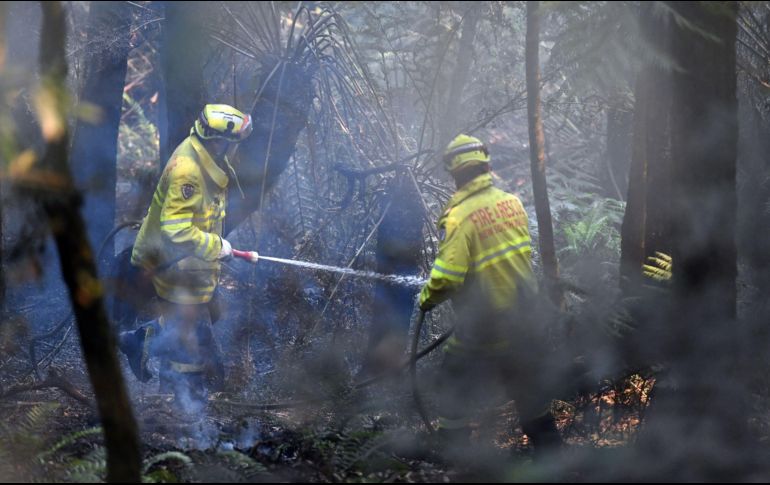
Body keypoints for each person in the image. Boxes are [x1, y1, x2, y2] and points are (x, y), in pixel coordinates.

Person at [419, 134, 562, 459]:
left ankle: (453, 455)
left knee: (452, 385)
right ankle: (555, 458)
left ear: (454, 173)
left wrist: (426, 297)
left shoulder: (459, 216)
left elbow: (447, 278)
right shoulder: (511, 203)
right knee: (530, 397)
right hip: (525, 321)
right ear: (486, 164)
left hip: (486, 327)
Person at [119, 104, 253, 408]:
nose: (234, 151)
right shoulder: (188, 172)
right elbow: (176, 230)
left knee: (202, 318)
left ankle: (142, 340)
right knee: (189, 338)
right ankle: (183, 401)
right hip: (168, 262)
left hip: (185, 262)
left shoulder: (204, 156)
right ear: (218, 140)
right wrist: (217, 247)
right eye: (232, 144)